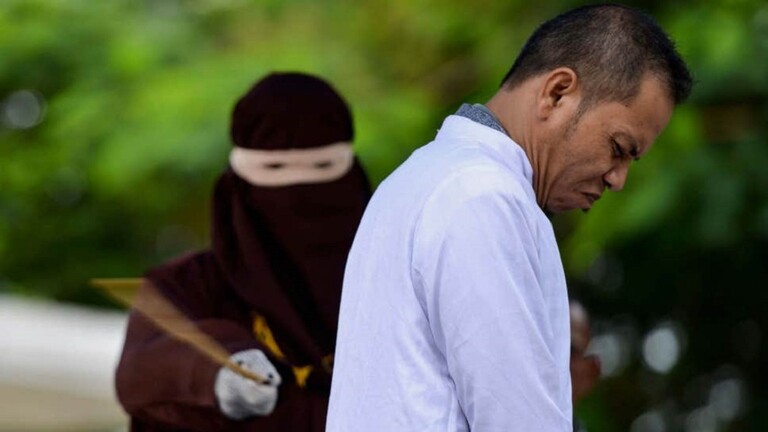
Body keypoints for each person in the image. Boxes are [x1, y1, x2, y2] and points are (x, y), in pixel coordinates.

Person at [327, 4, 692, 431]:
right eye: (618, 148)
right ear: (557, 92)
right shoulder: (484, 196)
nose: (618, 180)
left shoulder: (417, 180)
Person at [115, 72, 371, 431]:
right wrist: (220, 369)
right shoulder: (185, 284)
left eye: (321, 168)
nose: (299, 200)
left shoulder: (392, 283)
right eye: (275, 169)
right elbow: (143, 370)